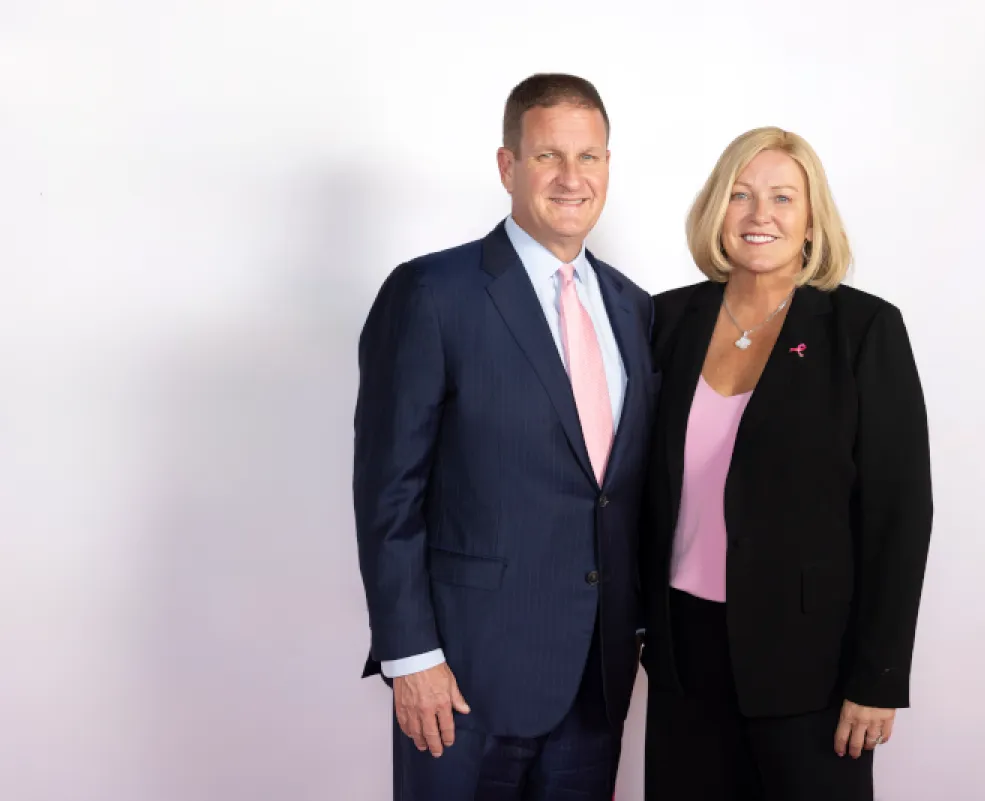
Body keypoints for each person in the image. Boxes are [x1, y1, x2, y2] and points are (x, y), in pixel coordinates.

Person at [352, 74, 657, 801]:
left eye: (589, 157)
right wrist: (410, 655)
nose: (571, 177)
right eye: (549, 155)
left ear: (609, 167)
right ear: (507, 166)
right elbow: (388, 492)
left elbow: (620, 488)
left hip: (596, 680)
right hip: (462, 681)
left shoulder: (634, 308)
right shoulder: (431, 294)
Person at [639, 126, 934, 801]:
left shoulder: (862, 331)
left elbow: (899, 514)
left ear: (810, 220)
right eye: (740, 195)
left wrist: (877, 678)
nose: (758, 215)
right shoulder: (664, 321)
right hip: (685, 658)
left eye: (781, 197)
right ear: (716, 210)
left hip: (813, 672)